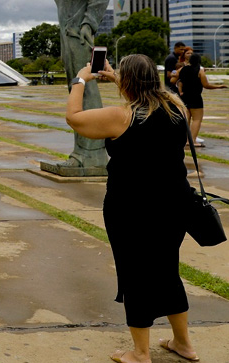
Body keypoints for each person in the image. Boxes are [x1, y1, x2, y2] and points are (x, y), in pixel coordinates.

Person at [65, 54, 198, 363]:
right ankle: (183, 344)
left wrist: (80, 79)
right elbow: (152, 97)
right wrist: (118, 78)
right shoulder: (178, 108)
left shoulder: (120, 116)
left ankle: (140, 353)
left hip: (132, 208)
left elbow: (74, 117)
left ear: (128, 84)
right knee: (167, 271)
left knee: (135, 275)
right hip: (175, 205)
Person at [29, 0, 112, 171]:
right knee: (75, 89)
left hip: (80, 34)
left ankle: (93, 152)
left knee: (85, 88)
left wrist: (89, 22)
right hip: (66, 35)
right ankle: (83, 151)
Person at [172, 52, 226, 148]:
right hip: (195, 97)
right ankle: (193, 140)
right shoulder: (200, 71)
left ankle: (186, 140)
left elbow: (173, 80)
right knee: (197, 119)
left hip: (184, 97)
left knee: (186, 119)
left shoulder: (182, 69)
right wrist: (219, 86)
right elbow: (206, 85)